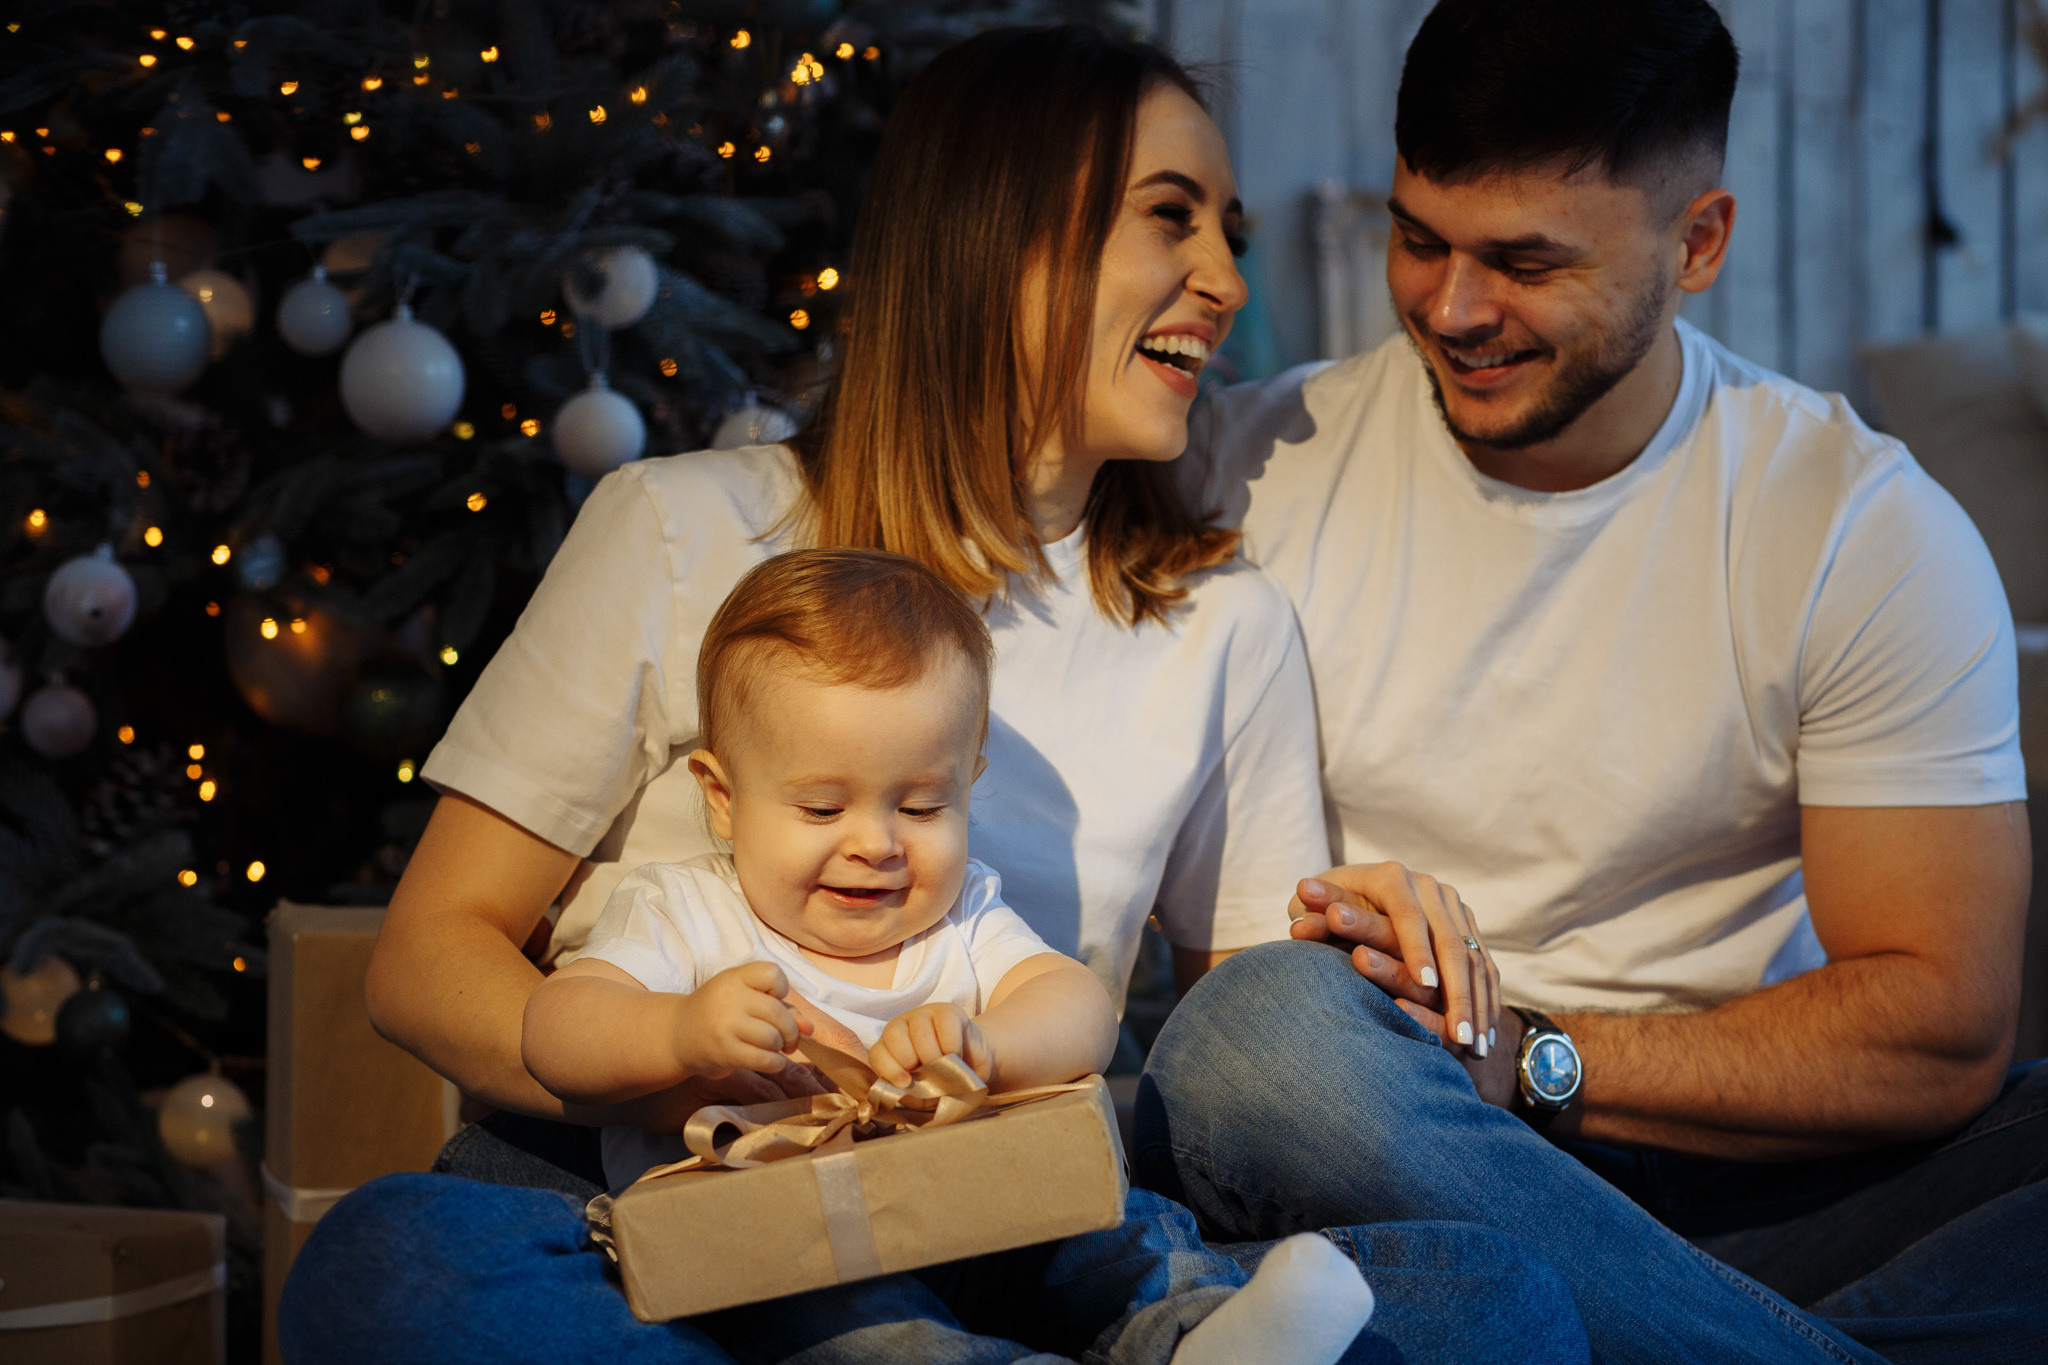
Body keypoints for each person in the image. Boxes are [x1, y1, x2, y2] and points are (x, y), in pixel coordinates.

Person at [283, 25, 1583, 1365]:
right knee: (394, 1262)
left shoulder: (1222, 627)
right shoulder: (680, 528)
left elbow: (1235, 1079)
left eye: (1231, 234)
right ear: (998, 236)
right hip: (634, 1200)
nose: (1225, 281)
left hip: (992, 1216)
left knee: (1494, 1303)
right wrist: (688, 1064)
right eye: (1170, 220)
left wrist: (1350, 967)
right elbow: (428, 958)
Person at [1136, 1, 2048, 1362]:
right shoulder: (1248, 468)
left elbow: (1937, 1028)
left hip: (1744, 1171)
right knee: (1254, 1038)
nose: (1451, 308)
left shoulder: (1858, 529)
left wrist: (1518, 1057)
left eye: (1524, 261)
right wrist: (1436, 1075)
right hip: (1380, 1158)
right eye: (1419, 237)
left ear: (1699, 243)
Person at [522, 546, 1379, 1365]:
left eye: (924, 806)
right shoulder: (687, 913)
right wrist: (677, 1032)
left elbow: (1076, 1005)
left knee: (1117, 1230)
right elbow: (555, 1032)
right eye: (822, 808)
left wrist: (988, 1044)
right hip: (777, 1245)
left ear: (967, 782)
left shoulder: (960, 913)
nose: (876, 843)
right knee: (848, 1331)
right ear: (722, 796)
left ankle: (1205, 1333)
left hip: (979, 1212)